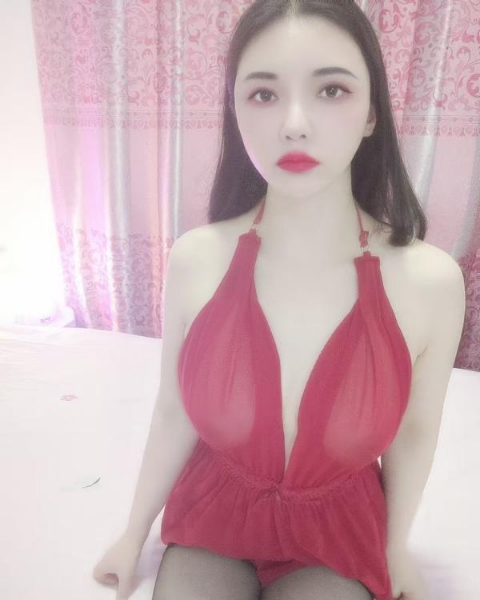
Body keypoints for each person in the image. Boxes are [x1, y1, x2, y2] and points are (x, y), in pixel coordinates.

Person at [93, 1, 465, 599]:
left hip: (337, 529)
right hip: (215, 512)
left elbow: (416, 430)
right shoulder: (196, 259)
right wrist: (132, 533)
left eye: (332, 90)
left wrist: (396, 549)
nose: (294, 124)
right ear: (236, 111)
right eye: (263, 94)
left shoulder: (431, 282)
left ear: (373, 112)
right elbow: (174, 410)